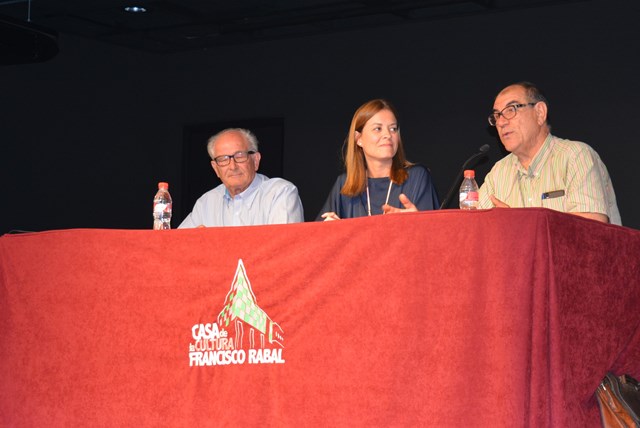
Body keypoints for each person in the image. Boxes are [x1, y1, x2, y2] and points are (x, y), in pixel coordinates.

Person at [479, 81, 621, 225]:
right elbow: (474, 227)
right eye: (497, 115)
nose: (501, 122)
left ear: (540, 112)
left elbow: (589, 230)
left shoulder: (576, 157)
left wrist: (518, 224)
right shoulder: (498, 174)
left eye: (511, 109)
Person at [317, 99, 439, 220]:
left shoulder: (417, 177)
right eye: (378, 129)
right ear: (358, 139)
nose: (388, 135)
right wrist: (330, 230)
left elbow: (436, 234)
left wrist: (420, 221)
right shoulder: (344, 184)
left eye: (393, 129)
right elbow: (314, 235)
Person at [179, 128, 304, 228]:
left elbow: (283, 249)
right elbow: (176, 246)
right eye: (223, 159)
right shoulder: (206, 203)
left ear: (255, 160)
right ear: (215, 168)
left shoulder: (280, 193)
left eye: (240, 156)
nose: (232, 166)